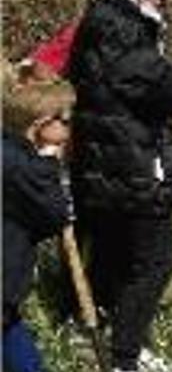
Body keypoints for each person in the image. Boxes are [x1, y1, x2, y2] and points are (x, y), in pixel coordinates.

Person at [66, 0, 172, 372]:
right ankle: (125, 355)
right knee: (156, 259)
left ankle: (92, 323)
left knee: (112, 247)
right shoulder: (120, 24)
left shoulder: (103, 16)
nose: (166, 4)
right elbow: (161, 84)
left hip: (107, 153)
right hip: (127, 157)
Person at [3, 76, 76, 372]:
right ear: (42, 124)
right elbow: (55, 215)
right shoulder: (24, 168)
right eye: (67, 120)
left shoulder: (8, 152)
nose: (71, 130)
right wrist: (48, 164)